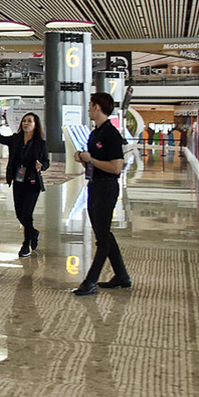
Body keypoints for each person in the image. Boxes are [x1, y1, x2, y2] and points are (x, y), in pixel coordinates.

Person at [73, 93, 129, 296]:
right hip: (94, 185)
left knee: (102, 238)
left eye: (90, 106)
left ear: (97, 107)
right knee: (102, 232)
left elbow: (116, 168)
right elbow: (94, 160)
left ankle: (91, 280)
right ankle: (121, 276)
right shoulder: (95, 133)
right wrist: (83, 158)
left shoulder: (111, 134)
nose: (89, 109)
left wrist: (92, 160)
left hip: (106, 187)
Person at [0, 112, 49, 257]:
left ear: (35, 125)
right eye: (24, 121)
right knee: (19, 214)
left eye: (29, 121)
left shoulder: (40, 143)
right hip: (18, 181)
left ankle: (25, 244)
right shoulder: (16, 139)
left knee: (27, 214)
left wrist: (42, 166)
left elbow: (46, 162)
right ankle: (33, 232)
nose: (26, 124)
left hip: (32, 182)